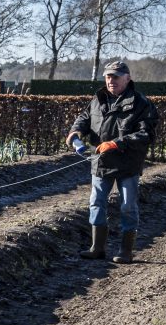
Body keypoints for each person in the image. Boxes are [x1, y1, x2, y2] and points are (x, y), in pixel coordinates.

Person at [66, 60, 158, 265]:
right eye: (108, 76)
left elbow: (147, 134)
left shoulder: (141, 102)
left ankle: (126, 251)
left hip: (128, 164)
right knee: (96, 202)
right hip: (101, 162)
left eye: (116, 76)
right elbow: (84, 117)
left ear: (127, 78)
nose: (111, 80)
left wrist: (117, 143)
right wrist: (76, 132)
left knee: (127, 206)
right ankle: (97, 248)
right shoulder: (97, 99)